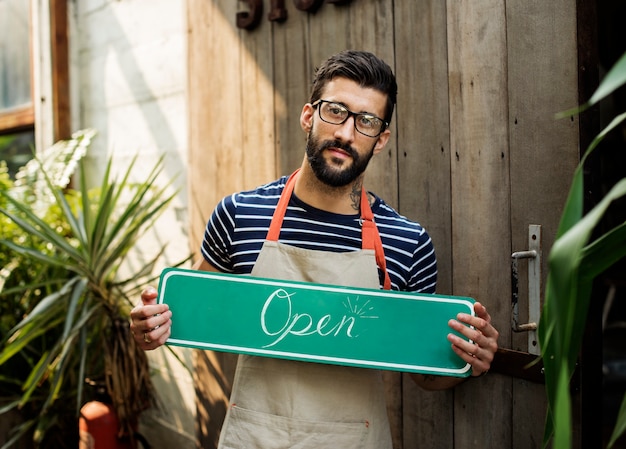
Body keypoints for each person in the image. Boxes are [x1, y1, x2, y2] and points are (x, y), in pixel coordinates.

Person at [130, 50, 499, 448]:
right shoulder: (239, 216)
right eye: (335, 111)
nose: (345, 133)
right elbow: (188, 317)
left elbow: (426, 372)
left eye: (366, 121)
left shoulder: (406, 243)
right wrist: (153, 327)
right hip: (255, 437)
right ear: (309, 116)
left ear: (381, 139)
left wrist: (468, 358)